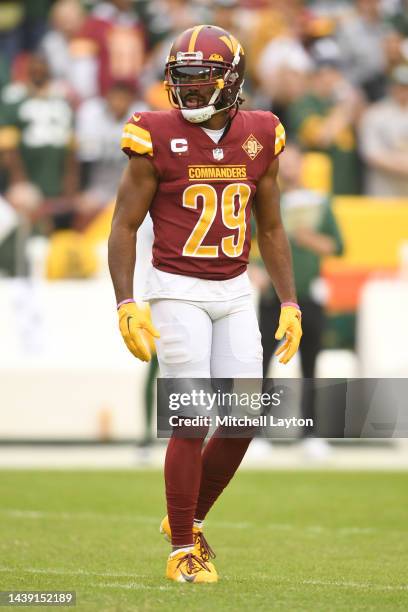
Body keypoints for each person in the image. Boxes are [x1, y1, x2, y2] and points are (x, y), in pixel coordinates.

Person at [108, 25, 302, 584]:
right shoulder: (153, 134)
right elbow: (123, 226)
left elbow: (271, 225)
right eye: (182, 81)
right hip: (176, 288)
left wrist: (289, 301)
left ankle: (184, 522)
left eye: (202, 81)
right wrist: (126, 300)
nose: (189, 93)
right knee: (191, 420)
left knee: (243, 420)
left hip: (236, 288)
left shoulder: (262, 133)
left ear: (233, 80)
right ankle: (182, 551)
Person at [253, 143, 343, 455]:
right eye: (284, 163)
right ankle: (258, 432)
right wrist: (255, 272)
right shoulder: (264, 199)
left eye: (294, 162)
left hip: (308, 296)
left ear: (303, 165)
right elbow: (242, 244)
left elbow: (338, 246)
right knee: (261, 363)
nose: (289, 169)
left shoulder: (319, 202)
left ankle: (311, 432)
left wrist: (309, 238)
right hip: (272, 297)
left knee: (311, 365)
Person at [359, 64, 408, 197]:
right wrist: (402, 167)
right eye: (400, 86)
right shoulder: (375, 114)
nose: (403, 91)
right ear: (391, 87)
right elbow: (371, 153)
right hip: (384, 190)